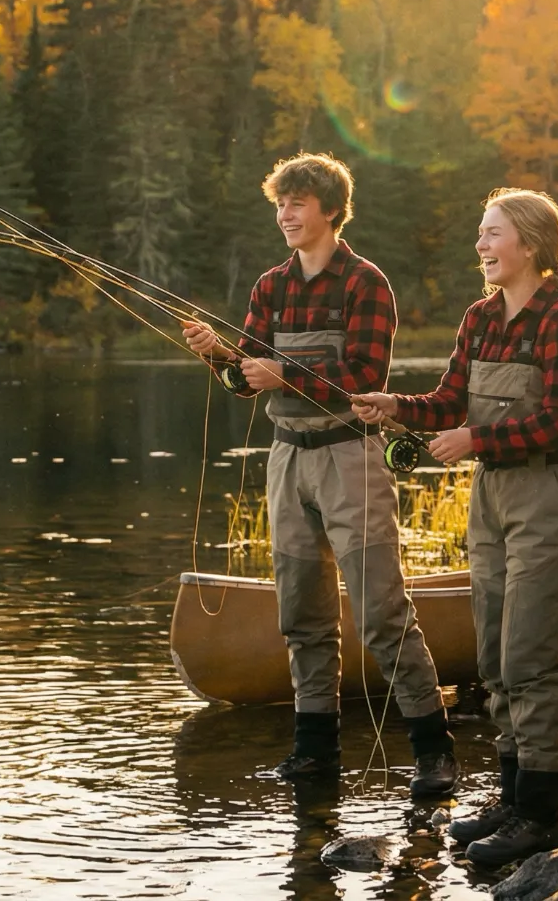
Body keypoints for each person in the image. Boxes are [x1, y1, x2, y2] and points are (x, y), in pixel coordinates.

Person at [181, 153, 456, 798]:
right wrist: (220, 358)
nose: (286, 215)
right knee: (301, 614)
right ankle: (315, 752)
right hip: (286, 459)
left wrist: (284, 374)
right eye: (280, 204)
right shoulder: (269, 287)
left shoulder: (366, 284)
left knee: (382, 613)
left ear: (330, 210)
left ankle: (434, 748)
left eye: (298, 203)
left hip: (349, 458)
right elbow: (247, 383)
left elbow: (364, 377)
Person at [350, 187, 558, 865]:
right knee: (493, 656)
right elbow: (447, 400)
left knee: (531, 658)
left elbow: (557, 420)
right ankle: (514, 797)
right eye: (481, 234)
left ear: (529, 244)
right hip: (492, 495)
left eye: (492, 235)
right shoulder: (481, 317)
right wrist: (392, 404)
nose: (481, 247)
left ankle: (543, 818)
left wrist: (474, 440)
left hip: (550, 492)